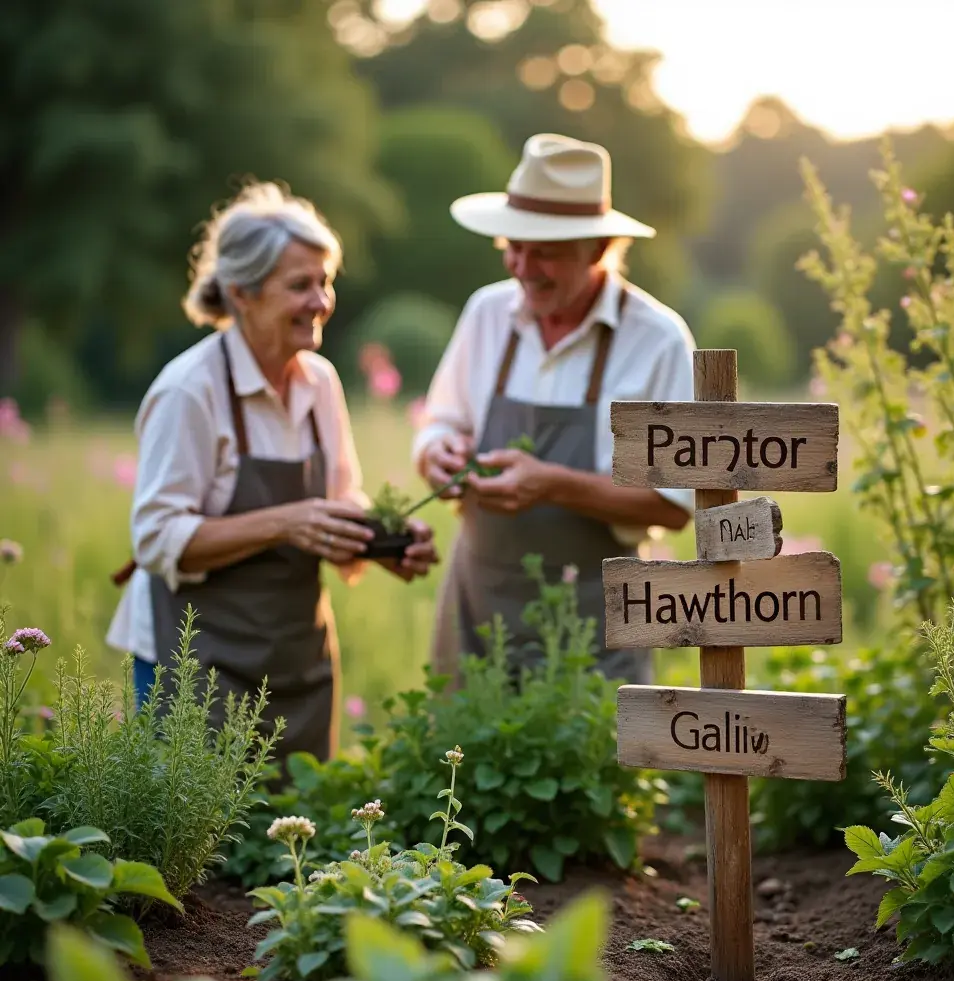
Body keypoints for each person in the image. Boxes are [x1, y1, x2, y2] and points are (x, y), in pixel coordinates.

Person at [106, 181, 438, 762]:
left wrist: (389, 544)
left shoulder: (320, 382)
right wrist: (285, 522)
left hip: (296, 661)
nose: (321, 301)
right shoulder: (190, 391)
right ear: (242, 293)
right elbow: (156, 538)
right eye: (300, 285)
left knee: (302, 838)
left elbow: (338, 503)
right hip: (194, 661)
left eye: (325, 282)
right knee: (194, 845)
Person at [413, 133, 696, 686]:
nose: (522, 267)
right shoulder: (486, 313)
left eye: (544, 251)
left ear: (597, 249)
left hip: (595, 629)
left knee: (590, 767)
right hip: (478, 611)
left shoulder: (657, 340)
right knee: (458, 770)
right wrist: (436, 454)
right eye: (512, 246)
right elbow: (440, 421)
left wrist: (552, 486)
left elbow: (673, 506)